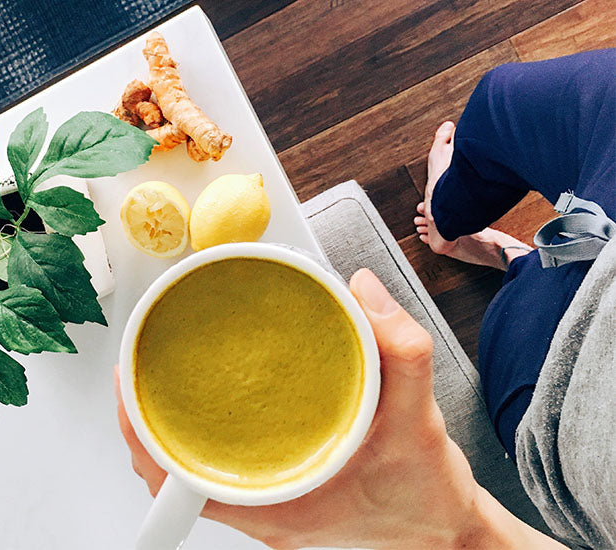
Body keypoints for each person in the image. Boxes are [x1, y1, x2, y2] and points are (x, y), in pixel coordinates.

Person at [116, 49, 615, 548]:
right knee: (501, 100)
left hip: (578, 406)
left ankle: (519, 262)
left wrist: (460, 531)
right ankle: (457, 218)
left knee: (520, 310)